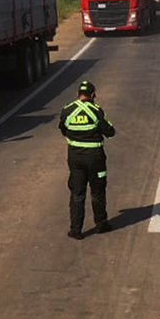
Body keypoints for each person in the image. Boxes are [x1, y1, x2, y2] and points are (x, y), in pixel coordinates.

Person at [59, 80, 116, 240]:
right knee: (98, 191)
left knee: (77, 193)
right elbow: (110, 132)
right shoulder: (97, 111)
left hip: (75, 158)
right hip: (95, 158)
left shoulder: (67, 110)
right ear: (93, 95)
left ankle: (76, 230)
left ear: (78, 94)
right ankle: (101, 224)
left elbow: (63, 130)